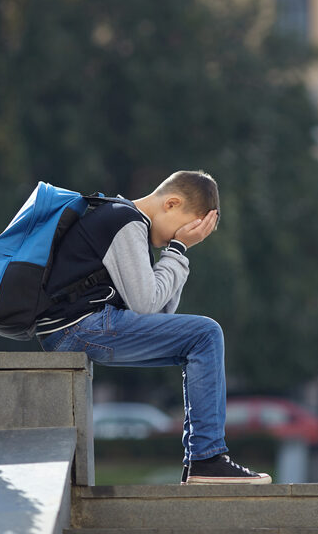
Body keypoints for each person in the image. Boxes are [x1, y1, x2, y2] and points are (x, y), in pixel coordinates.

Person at [37, 170, 272, 485]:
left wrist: (177, 253)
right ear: (171, 203)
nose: (184, 236)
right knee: (206, 333)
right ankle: (206, 458)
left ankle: (202, 461)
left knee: (198, 339)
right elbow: (148, 305)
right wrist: (176, 251)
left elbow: (160, 312)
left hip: (77, 326)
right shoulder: (125, 220)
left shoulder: (131, 225)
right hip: (77, 327)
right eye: (186, 229)